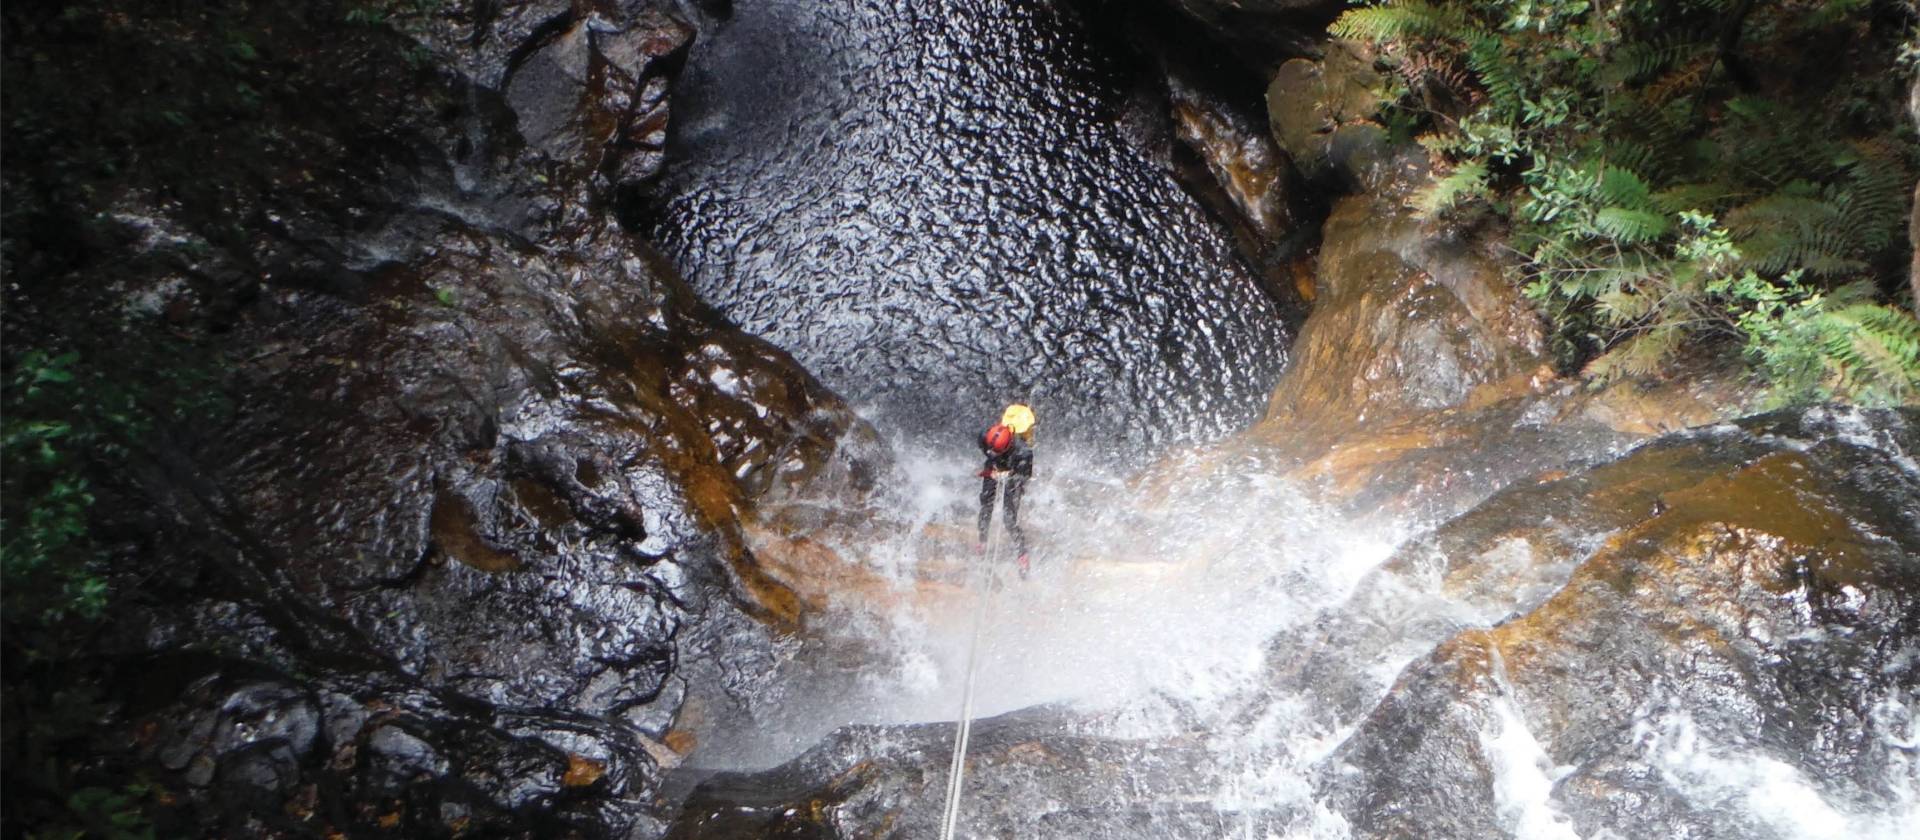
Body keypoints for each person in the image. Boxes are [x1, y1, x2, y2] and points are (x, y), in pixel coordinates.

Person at [977, 403, 1036, 576]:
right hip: (995, 467)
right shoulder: (984, 436)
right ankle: (982, 540)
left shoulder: (1023, 452)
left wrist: (1009, 474)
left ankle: (1022, 553)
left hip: (1014, 472)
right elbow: (985, 449)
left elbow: (1024, 476)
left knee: (1009, 519)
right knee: (986, 503)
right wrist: (993, 465)